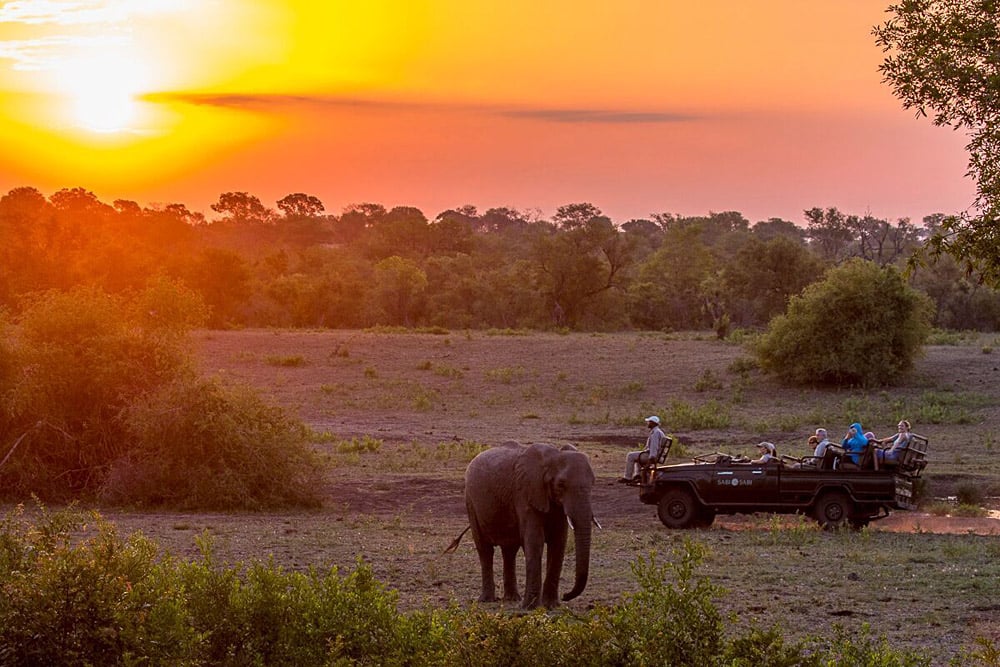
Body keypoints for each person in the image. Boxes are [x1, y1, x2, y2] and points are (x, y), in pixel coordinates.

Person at [620, 416, 669, 483]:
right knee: (638, 456)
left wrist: (651, 459)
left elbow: (654, 448)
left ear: (653, 423)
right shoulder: (657, 431)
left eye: (649, 422)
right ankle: (638, 476)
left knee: (630, 456)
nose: (648, 423)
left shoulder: (655, 433)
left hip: (652, 456)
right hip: (655, 455)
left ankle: (628, 477)